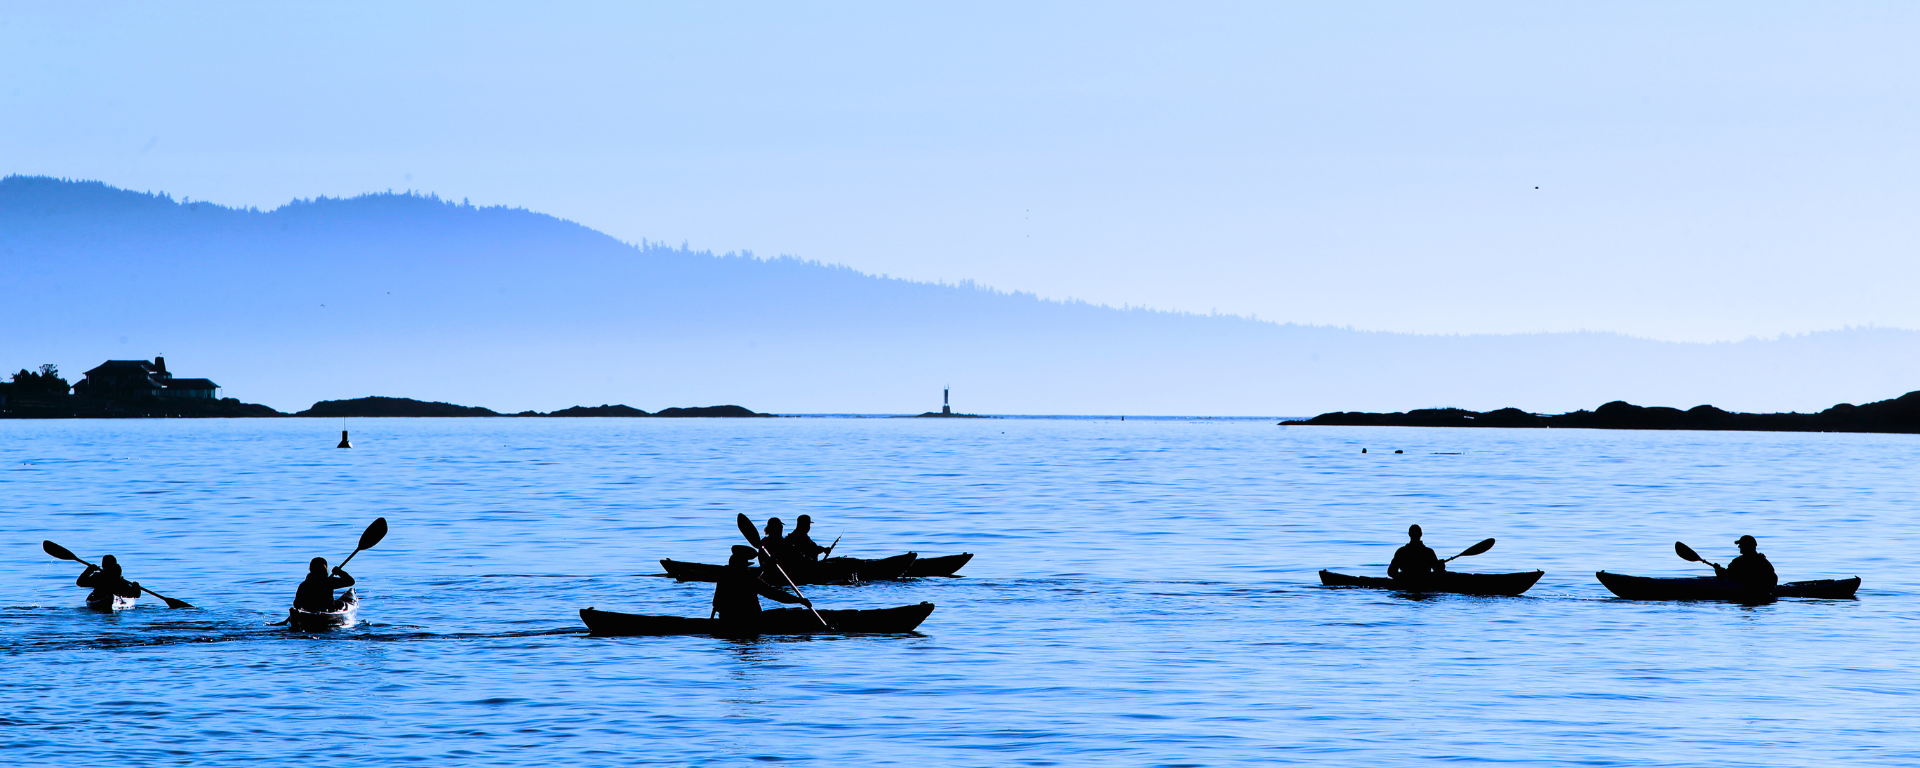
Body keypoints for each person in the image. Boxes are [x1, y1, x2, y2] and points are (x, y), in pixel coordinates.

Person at [713, 545, 811, 631]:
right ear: (742, 567)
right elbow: (774, 594)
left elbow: (716, 604)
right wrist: (799, 600)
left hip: (726, 620)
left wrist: (766, 566)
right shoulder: (749, 579)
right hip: (750, 621)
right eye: (746, 567)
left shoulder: (723, 577)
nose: (747, 569)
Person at [1714, 535, 1778, 592]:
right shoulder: (1763, 561)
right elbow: (1773, 578)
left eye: (1741, 544)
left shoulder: (1739, 561)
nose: (1739, 546)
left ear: (1747, 546)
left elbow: (1726, 575)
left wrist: (1718, 570)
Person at [77, 554, 141, 607]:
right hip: (108, 599)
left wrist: (89, 570)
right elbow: (136, 594)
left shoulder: (98, 577)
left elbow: (80, 582)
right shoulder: (119, 580)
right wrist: (136, 587)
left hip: (102, 599)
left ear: (103, 565)